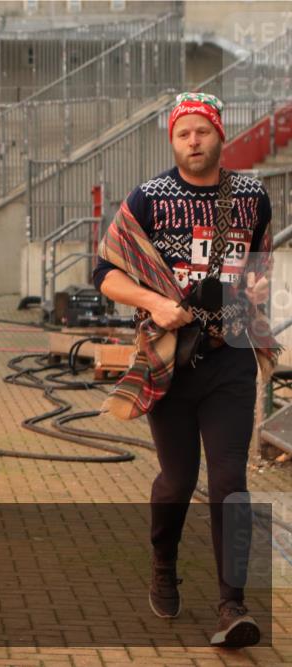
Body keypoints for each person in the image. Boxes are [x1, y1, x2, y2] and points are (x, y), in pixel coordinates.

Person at [93, 92, 278, 648]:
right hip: (169, 359)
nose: (193, 141)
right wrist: (153, 304)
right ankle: (163, 561)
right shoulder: (149, 198)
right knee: (179, 480)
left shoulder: (251, 195)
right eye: (183, 133)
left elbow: (259, 257)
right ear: (172, 141)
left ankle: (232, 604)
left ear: (219, 134)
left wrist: (259, 286)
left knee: (230, 481)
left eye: (202, 131)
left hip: (232, 355)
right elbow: (105, 271)